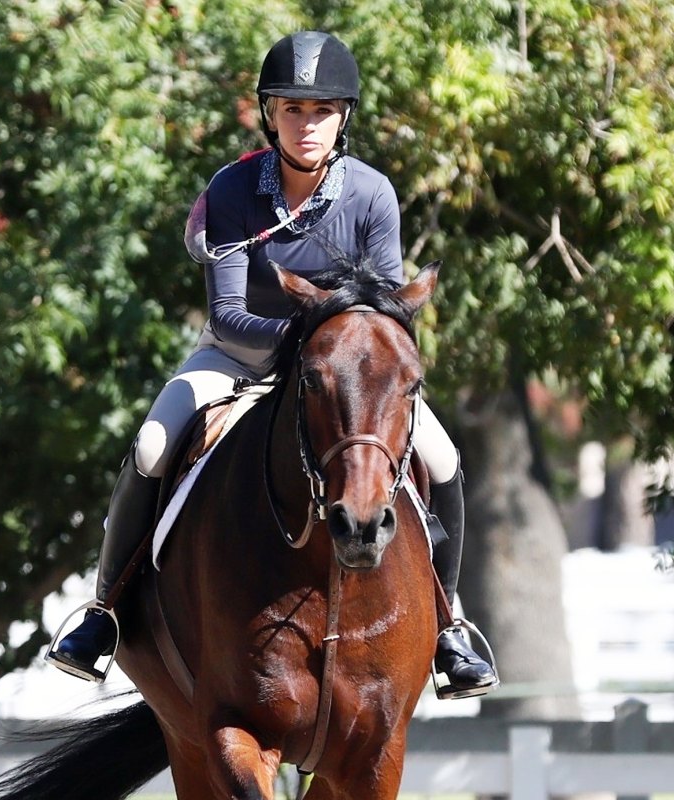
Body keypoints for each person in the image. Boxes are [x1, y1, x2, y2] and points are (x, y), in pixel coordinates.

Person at [47, 29, 497, 699]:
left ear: (343, 117)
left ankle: (451, 625)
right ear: (270, 116)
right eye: (291, 109)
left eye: (320, 111)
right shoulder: (233, 191)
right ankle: (105, 612)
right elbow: (228, 313)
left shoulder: (372, 195)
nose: (306, 124)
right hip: (239, 358)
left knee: (445, 459)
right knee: (150, 445)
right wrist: (304, 343)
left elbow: (386, 310)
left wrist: (335, 356)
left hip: (344, 377)